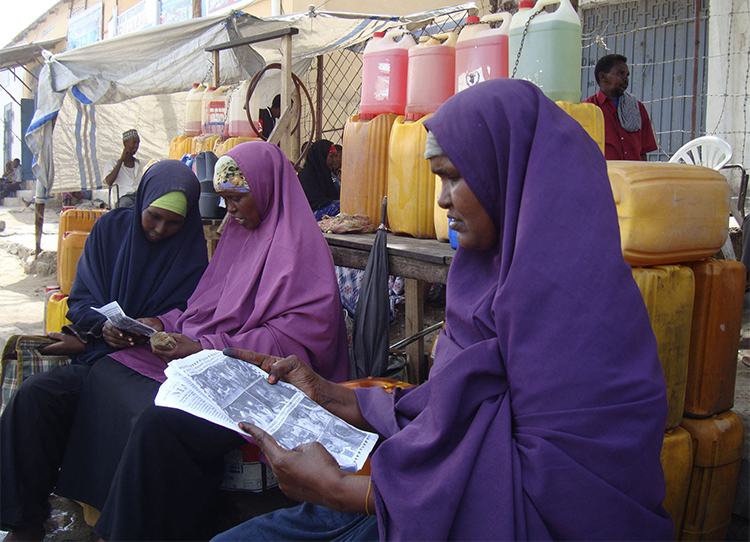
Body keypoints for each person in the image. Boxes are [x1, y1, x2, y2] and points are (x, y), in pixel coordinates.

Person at [212, 79, 673, 541]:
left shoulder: (581, 312)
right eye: (437, 179)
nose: (441, 199)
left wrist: (343, 492)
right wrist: (326, 393)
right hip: (424, 498)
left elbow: (557, 501)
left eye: (454, 176)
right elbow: (449, 410)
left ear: (507, 174)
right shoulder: (482, 279)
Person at [53, 141, 350, 541]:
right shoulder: (237, 237)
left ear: (267, 190)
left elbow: (296, 343)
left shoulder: (300, 250)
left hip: (271, 386)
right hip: (221, 362)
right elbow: (204, 309)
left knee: (160, 421)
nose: (229, 209)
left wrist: (205, 346)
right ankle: (108, 511)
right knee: (108, 369)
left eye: (237, 198)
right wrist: (162, 323)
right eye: (224, 198)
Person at [0, 160, 209, 542]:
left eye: (173, 223)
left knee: (136, 415)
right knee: (35, 398)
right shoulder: (111, 231)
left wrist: (160, 323)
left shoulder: (194, 255)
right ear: (142, 202)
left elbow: (197, 315)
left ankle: (113, 525)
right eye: (154, 217)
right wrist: (103, 327)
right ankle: (24, 518)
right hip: (98, 354)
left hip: (150, 367)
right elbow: (80, 301)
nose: (161, 230)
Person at [583, 54, 658, 161]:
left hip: (633, 174)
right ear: (602, 76)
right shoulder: (587, 109)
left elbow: (643, 152)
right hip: (605, 174)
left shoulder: (638, 108)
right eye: (621, 73)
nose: (625, 79)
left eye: (627, 75)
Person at [297, 139, 341, 220]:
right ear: (321, 157)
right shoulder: (306, 175)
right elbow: (316, 202)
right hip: (310, 215)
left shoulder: (326, 175)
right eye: (331, 156)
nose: (335, 160)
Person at [103, 129, 144, 208]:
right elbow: (109, 182)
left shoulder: (138, 164)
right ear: (125, 143)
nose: (136, 146)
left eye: (138, 143)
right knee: (126, 205)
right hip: (122, 198)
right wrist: (121, 160)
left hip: (137, 197)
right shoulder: (112, 162)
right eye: (134, 142)